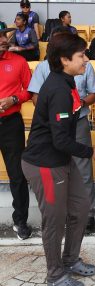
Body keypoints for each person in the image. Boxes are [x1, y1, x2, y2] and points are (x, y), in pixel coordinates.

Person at [21, 33, 95, 286]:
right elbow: (62, 140)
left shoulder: (66, 83)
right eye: (81, 56)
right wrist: (91, 151)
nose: (86, 60)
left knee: (81, 206)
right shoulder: (58, 90)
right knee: (54, 221)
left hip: (62, 160)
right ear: (65, 60)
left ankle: (70, 259)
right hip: (45, 164)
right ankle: (55, 274)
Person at [27, 26, 95, 234]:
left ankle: (88, 215)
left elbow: (94, 94)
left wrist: (77, 104)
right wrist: (60, 109)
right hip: (53, 128)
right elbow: (35, 97)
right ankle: (63, 216)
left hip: (79, 122)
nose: (85, 59)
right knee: (57, 172)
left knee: (83, 171)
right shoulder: (43, 68)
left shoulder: (85, 66)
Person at [0, 22, 32, 240]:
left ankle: (20, 221)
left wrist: (14, 98)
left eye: (4, 35)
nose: (4, 40)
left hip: (11, 123)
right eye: (0, 37)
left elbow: (30, 90)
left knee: (17, 176)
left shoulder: (19, 61)